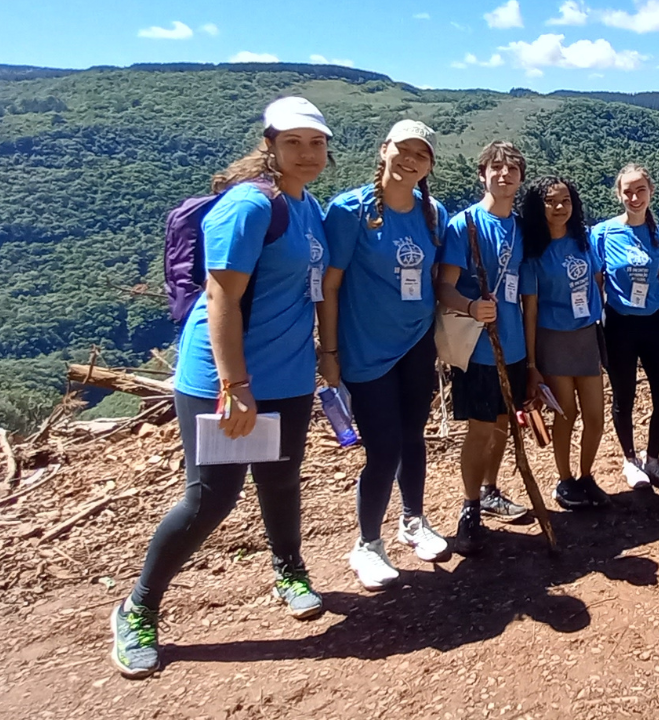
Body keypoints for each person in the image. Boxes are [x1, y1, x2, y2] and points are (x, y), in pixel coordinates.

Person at [112, 97, 331, 678]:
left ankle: (288, 570)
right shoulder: (249, 205)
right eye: (294, 143)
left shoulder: (305, 205)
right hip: (224, 378)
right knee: (212, 496)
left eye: (316, 144)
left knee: (281, 479)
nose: (307, 153)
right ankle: (138, 606)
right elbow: (221, 297)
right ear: (271, 145)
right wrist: (235, 384)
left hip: (286, 376)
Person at [318, 120, 450, 591]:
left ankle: (413, 520)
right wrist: (328, 352)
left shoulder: (434, 214)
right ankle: (367, 544)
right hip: (365, 349)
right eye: (404, 149)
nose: (411, 159)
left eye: (423, 154)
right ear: (384, 150)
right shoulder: (350, 211)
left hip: (416, 343)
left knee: (413, 436)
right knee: (383, 448)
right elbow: (329, 286)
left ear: (430, 165)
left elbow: (437, 281)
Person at [436, 141, 532, 554]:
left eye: (512, 169)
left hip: (512, 348)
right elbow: (444, 287)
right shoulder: (465, 225)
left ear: (520, 178)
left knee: (504, 425)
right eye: (496, 167)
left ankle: (490, 491)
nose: (504, 175)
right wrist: (472, 306)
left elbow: (528, 296)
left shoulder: (523, 228)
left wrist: (531, 355)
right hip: (477, 348)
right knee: (478, 430)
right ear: (483, 174)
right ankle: (470, 506)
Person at [518, 177, 610, 510]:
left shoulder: (583, 242)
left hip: (585, 335)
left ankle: (587, 476)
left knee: (596, 416)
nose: (560, 207)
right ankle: (565, 480)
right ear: (539, 207)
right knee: (565, 413)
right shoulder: (533, 254)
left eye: (566, 201)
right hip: (552, 338)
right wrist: (531, 363)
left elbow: (598, 281)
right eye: (552, 202)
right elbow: (530, 310)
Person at [592, 164, 659, 489]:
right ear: (618, 194)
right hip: (619, 323)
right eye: (627, 191)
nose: (634, 196)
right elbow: (596, 283)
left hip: (654, 322)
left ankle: (652, 457)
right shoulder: (602, 233)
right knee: (623, 397)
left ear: (651, 192)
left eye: (640, 189)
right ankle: (630, 460)